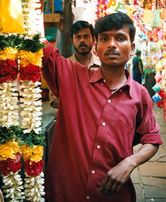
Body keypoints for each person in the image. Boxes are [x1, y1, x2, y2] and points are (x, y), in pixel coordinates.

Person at [42, 12, 162, 202]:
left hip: (112, 195)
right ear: (96, 47)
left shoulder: (140, 94)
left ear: (131, 48)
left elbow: (152, 139)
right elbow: (39, 45)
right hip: (64, 193)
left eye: (120, 38)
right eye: (105, 38)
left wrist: (129, 163)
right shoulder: (71, 77)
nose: (112, 44)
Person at [50, 20, 100, 108]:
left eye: (86, 36)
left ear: (93, 39)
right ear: (72, 40)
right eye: (78, 37)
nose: (82, 40)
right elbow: (54, 101)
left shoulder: (103, 67)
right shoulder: (62, 67)